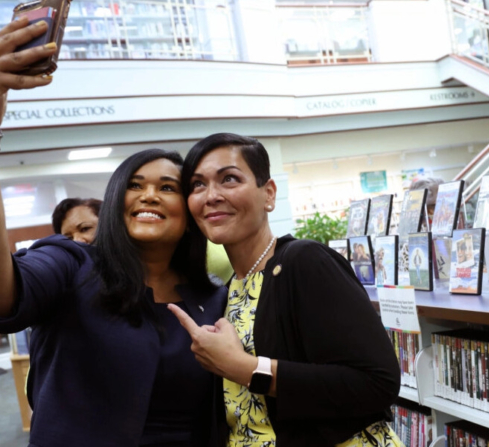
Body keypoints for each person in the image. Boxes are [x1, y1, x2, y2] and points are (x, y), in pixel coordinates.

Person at [0, 20, 225, 447]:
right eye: (134, 184)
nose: (149, 195)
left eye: (168, 188)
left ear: (190, 210)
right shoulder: (73, 264)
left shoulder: (216, 298)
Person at [171, 133, 402, 446]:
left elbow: (377, 383)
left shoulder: (304, 262)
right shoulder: (226, 292)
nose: (211, 195)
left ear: (268, 194)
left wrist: (246, 368)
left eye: (229, 179)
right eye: (198, 184)